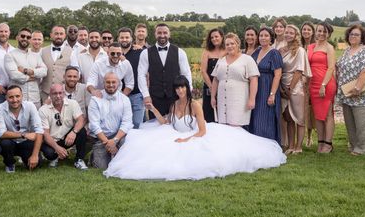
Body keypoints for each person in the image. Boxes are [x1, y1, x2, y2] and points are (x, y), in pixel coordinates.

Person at [104, 75, 286, 180]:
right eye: (177, 89)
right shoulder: (174, 105)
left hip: (196, 135)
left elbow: (202, 131)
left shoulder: (195, 105)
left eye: (182, 88)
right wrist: (154, 110)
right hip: (174, 133)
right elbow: (166, 123)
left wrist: (187, 139)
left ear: (187, 88)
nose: (180, 91)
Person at [335, 25, 365, 156]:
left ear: (362, 37)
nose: (353, 36)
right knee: (350, 123)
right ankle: (354, 146)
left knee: (363, 123)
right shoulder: (347, 50)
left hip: (363, 93)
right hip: (347, 93)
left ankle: (362, 149)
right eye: (351, 34)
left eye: (356, 34)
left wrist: (358, 87)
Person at [138, 23, 192, 116]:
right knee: (155, 126)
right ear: (155, 34)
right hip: (155, 97)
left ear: (169, 34)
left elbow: (186, 74)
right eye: (159, 33)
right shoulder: (145, 53)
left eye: (165, 33)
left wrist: (188, 92)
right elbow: (141, 75)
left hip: (175, 96)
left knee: (176, 125)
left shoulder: (180, 52)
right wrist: (146, 95)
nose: (162, 35)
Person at [211, 33, 260, 127]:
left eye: (232, 43)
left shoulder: (247, 59)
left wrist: (252, 99)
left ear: (238, 44)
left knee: (236, 128)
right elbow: (216, 79)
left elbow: (254, 80)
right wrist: (213, 97)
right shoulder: (221, 60)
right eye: (227, 44)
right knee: (223, 128)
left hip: (239, 101)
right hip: (222, 101)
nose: (230, 46)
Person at [87, 72, 133, 170]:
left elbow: (127, 123)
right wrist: (108, 143)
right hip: (101, 139)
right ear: (103, 83)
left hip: (118, 137)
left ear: (118, 83)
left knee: (123, 165)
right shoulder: (95, 100)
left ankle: (118, 155)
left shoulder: (125, 100)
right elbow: (94, 125)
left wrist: (115, 140)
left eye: (113, 82)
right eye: (108, 82)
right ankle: (93, 156)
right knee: (101, 167)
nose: (111, 85)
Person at [0, 85, 43, 172]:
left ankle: (27, 158)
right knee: (4, 143)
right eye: (11, 97)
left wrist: (35, 155)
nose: (15, 100)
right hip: (10, 141)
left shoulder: (30, 106)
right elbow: (1, 133)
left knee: (36, 165)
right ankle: (10, 163)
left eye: (17, 96)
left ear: (22, 96)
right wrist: (24, 135)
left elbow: (39, 130)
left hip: (26, 143)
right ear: (6, 97)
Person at [39, 84, 88, 170]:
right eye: (54, 93)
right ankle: (55, 157)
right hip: (51, 140)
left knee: (81, 131)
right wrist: (57, 148)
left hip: (67, 138)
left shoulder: (72, 103)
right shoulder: (43, 110)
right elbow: (45, 134)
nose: (58, 96)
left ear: (64, 94)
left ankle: (79, 160)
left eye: (60, 93)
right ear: (50, 95)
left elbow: (81, 120)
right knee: (50, 154)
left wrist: (74, 132)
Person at [279, 25, 311, 154]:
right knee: (288, 118)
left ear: (296, 35)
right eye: (286, 32)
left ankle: (299, 147)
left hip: (296, 86)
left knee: (299, 117)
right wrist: (282, 87)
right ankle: (291, 145)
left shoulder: (300, 50)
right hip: (283, 84)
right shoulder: (281, 50)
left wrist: (290, 88)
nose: (288, 35)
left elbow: (299, 70)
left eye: (291, 33)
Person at [249, 27, 283, 144]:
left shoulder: (274, 53)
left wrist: (272, 94)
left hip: (268, 88)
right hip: (255, 89)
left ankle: (268, 145)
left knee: (264, 118)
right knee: (255, 117)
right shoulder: (256, 52)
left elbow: (278, 75)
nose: (263, 38)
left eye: (266, 36)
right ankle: (255, 144)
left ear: (271, 38)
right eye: (261, 35)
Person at [308, 22, 336, 153]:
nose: (321, 34)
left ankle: (328, 143)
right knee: (318, 115)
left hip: (325, 83)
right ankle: (320, 142)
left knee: (327, 114)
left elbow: (331, 68)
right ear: (316, 32)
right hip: (312, 84)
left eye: (325, 32)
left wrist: (323, 85)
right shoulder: (311, 47)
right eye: (319, 31)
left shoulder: (329, 48)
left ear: (328, 34)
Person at [4, 28, 47, 108]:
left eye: (28, 37)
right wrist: (33, 77)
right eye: (23, 36)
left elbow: (44, 71)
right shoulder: (10, 55)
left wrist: (26, 71)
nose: (25, 39)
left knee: (35, 120)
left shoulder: (36, 55)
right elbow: (14, 75)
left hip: (34, 98)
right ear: (17, 37)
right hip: (17, 99)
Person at [118, 27, 146, 128]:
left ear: (131, 38)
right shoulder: (114, 54)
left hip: (136, 95)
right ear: (118, 39)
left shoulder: (139, 52)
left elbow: (146, 73)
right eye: (122, 37)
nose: (124, 40)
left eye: (127, 37)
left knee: (137, 124)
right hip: (119, 95)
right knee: (122, 124)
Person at [39, 25, 73, 104]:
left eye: (61, 34)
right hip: (45, 92)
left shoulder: (72, 52)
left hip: (63, 94)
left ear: (65, 35)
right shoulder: (42, 51)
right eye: (56, 33)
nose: (59, 36)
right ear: (51, 35)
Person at [199, 28, 225, 123]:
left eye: (216, 36)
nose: (214, 39)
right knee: (209, 113)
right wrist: (211, 87)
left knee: (223, 112)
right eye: (212, 37)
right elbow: (203, 71)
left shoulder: (227, 50)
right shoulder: (207, 51)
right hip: (209, 85)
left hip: (223, 86)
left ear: (222, 37)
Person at [300, 21, 315, 147]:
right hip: (300, 80)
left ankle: (309, 136)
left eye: (308, 30)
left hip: (312, 80)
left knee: (310, 110)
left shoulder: (315, 46)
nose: (306, 31)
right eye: (304, 29)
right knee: (300, 109)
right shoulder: (298, 45)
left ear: (312, 31)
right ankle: (299, 135)